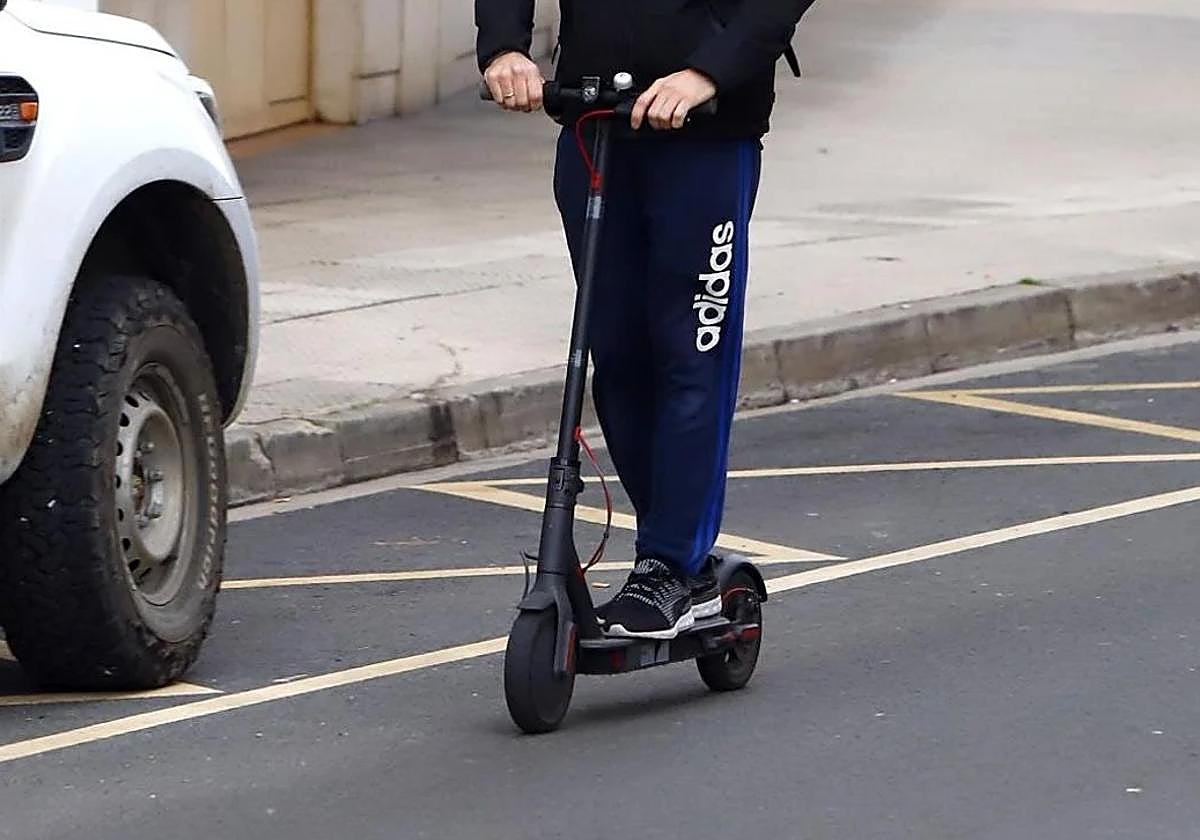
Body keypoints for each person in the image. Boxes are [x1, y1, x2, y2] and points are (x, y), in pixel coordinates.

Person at [477, 0, 816, 639]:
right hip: (594, 120)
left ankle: (670, 565)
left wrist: (709, 72)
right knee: (618, 356)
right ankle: (680, 559)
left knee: (691, 355)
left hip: (706, 136)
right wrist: (503, 47)